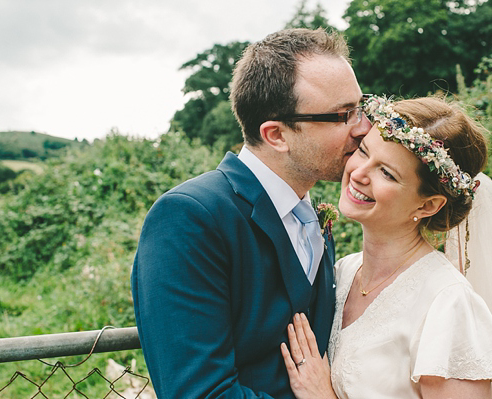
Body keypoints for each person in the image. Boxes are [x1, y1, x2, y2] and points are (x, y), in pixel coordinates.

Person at [131, 28, 372, 398]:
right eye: (344, 115)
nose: (365, 127)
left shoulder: (314, 218)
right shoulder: (189, 218)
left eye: (362, 107)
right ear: (276, 134)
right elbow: (198, 393)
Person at [281, 95, 492, 398]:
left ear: (429, 204)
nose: (358, 173)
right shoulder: (343, 271)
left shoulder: (448, 305)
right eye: (363, 151)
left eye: (387, 173)